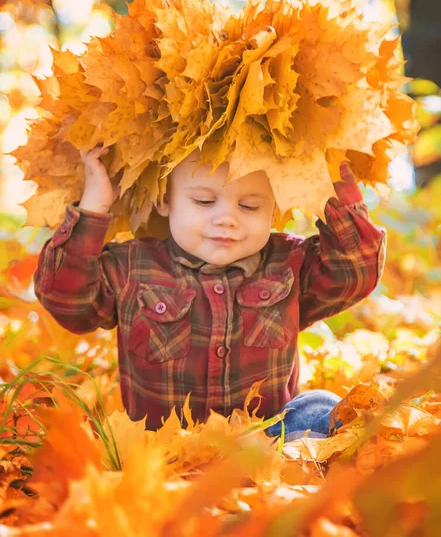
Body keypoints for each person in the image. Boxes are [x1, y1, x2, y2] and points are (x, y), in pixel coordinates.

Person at [34, 144, 386, 440]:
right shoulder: (132, 267)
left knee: (321, 407)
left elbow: (355, 270)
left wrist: (327, 175)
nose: (226, 218)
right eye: (204, 202)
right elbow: (68, 301)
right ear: (164, 200)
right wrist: (94, 205)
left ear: (275, 208)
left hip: (267, 443)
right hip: (163, 447)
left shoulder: (290, 264)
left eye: (249, 206)